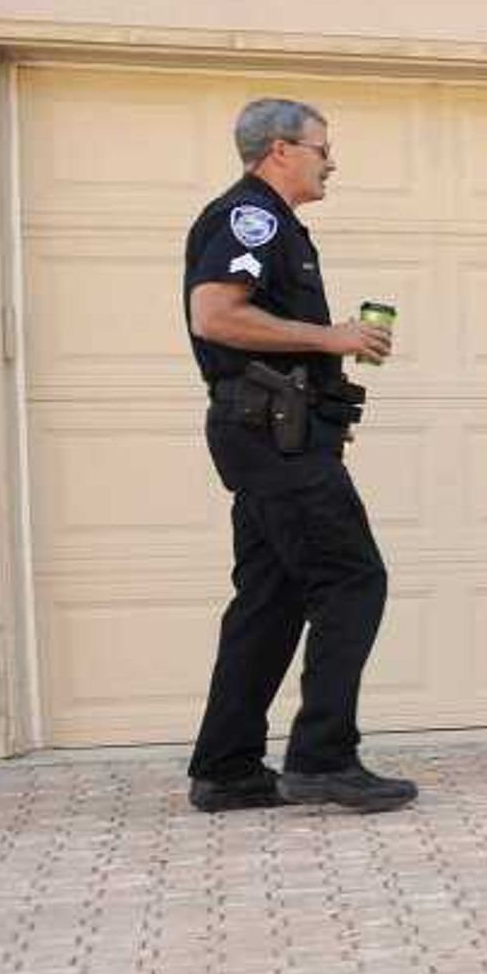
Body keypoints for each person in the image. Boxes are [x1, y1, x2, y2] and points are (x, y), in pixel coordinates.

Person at [180, 97, 413, 812]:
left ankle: (227, 768)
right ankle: (322, 758)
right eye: (322, 148)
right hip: (270, 436)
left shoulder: (279, 226)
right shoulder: (251, 216)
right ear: (280, 149)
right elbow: (215, 314)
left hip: (275, 432)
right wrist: (330, 339)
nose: (330, 160)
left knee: (271, 597)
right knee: (352, 580)